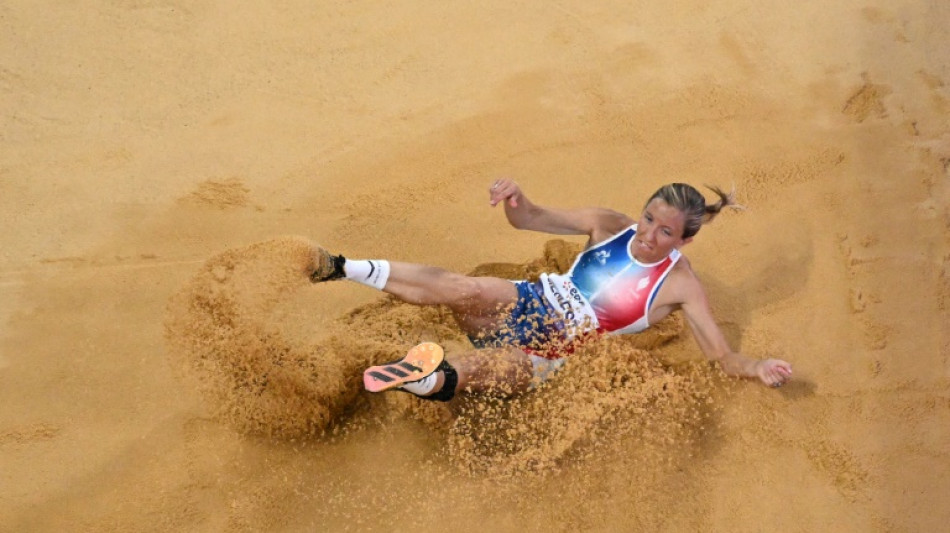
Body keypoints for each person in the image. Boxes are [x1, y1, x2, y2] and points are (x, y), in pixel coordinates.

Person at [308, 179, 793, 402]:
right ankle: (341, 266)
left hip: (551, 350)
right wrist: (515, 200)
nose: (649, 234)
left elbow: (721, 357)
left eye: (665, 232)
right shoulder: (609, 225)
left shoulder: (682, 285)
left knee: (487, 369)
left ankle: (422, 379)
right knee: (467, 288)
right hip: (528, 301)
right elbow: (531, 219)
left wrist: (757, 367)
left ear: (685, 240)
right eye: (648, 218)